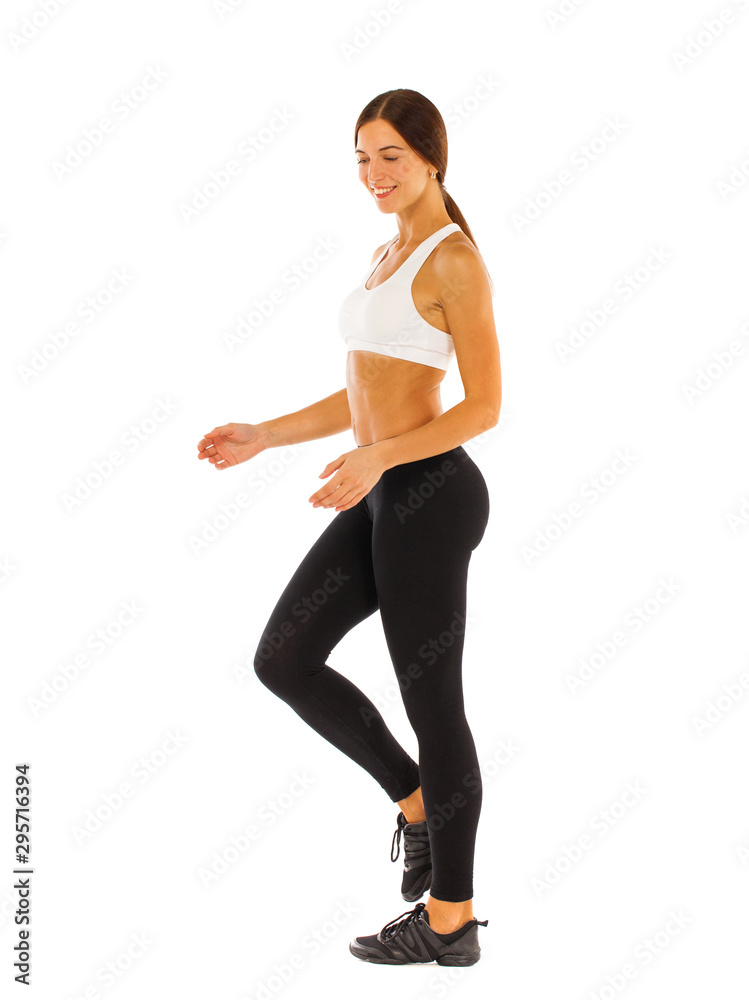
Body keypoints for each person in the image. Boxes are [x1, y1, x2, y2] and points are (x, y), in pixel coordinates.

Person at [196, 88, 501, 967]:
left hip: (429, 495)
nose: (373, 175)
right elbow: (360, 392)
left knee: (433, 704)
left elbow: (482, 405)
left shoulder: (452, 262)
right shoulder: (386, 252)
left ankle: (451, 921)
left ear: (432, 158)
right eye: (361, 159)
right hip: (379, 490)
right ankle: (411, 800)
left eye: (390, 158)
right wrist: (265, 433)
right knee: (283, 658)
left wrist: (379, 459)